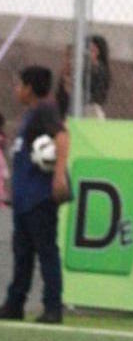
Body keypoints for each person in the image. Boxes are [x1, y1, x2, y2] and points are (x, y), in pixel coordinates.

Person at [0, 66, 71, 324]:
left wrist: (59, 176)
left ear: (29, 88)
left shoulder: (44, 111)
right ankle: (15, 303)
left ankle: (53, 306)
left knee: (46, 251)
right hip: (24, 200)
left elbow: (62, 137)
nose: (16, 89)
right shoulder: (31, 116)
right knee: (23, 254)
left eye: (19, 84)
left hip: (39, 199)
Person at [55, 34, 111, 119]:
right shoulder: (78, 68)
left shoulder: (98, 70)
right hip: (72, 108)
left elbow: (97, 96)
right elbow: (61, 96)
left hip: (88, 109)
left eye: (92, 50)